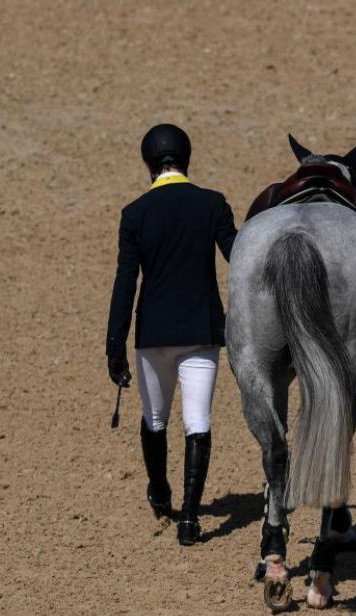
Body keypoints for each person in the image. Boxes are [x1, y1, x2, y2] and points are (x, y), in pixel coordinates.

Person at [105, 124, 237, 546]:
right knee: (198, 422)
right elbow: (240, 258)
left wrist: (114, 346)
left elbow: (125, 283)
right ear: (187, 160)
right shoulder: (212, 204)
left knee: (155, 419)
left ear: (149, 164)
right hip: (201, 331)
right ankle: (190, 520)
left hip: (154, 335)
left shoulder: (135, 214)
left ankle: (161, 494)